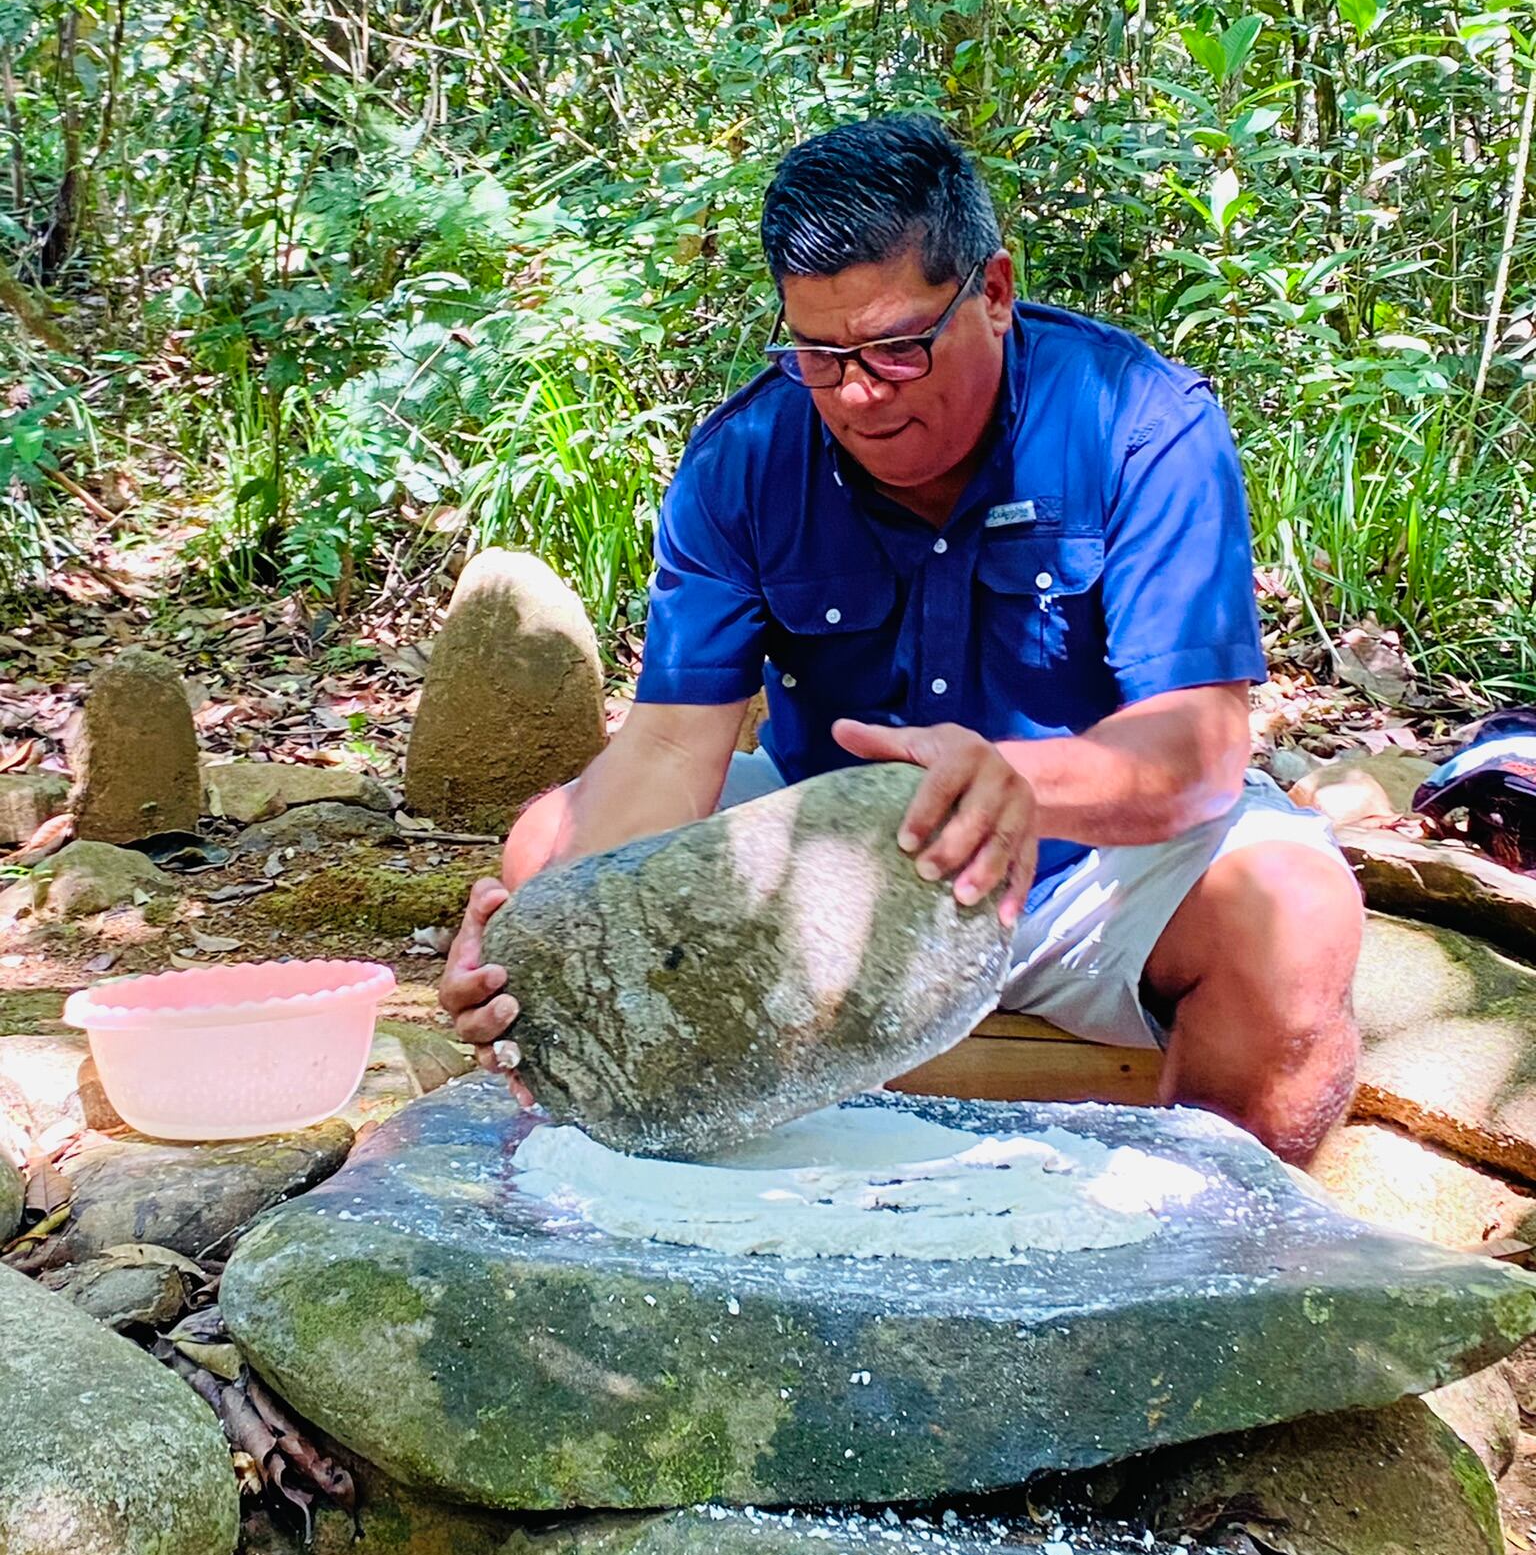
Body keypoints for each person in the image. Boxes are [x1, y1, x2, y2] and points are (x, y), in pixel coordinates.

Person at [439, 114, 1362, 1165]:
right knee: (545, 847)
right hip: (832, 868)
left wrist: (1012, 781)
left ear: (996, 292)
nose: (860, 393)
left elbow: (1198, 750)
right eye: (818, 355)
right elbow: (663, 751)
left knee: (1294, 911)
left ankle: (1202, 1260)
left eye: (896, 346)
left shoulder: (1136, 420)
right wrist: (546, 941)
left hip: (1093, 862)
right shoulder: (744, 459)